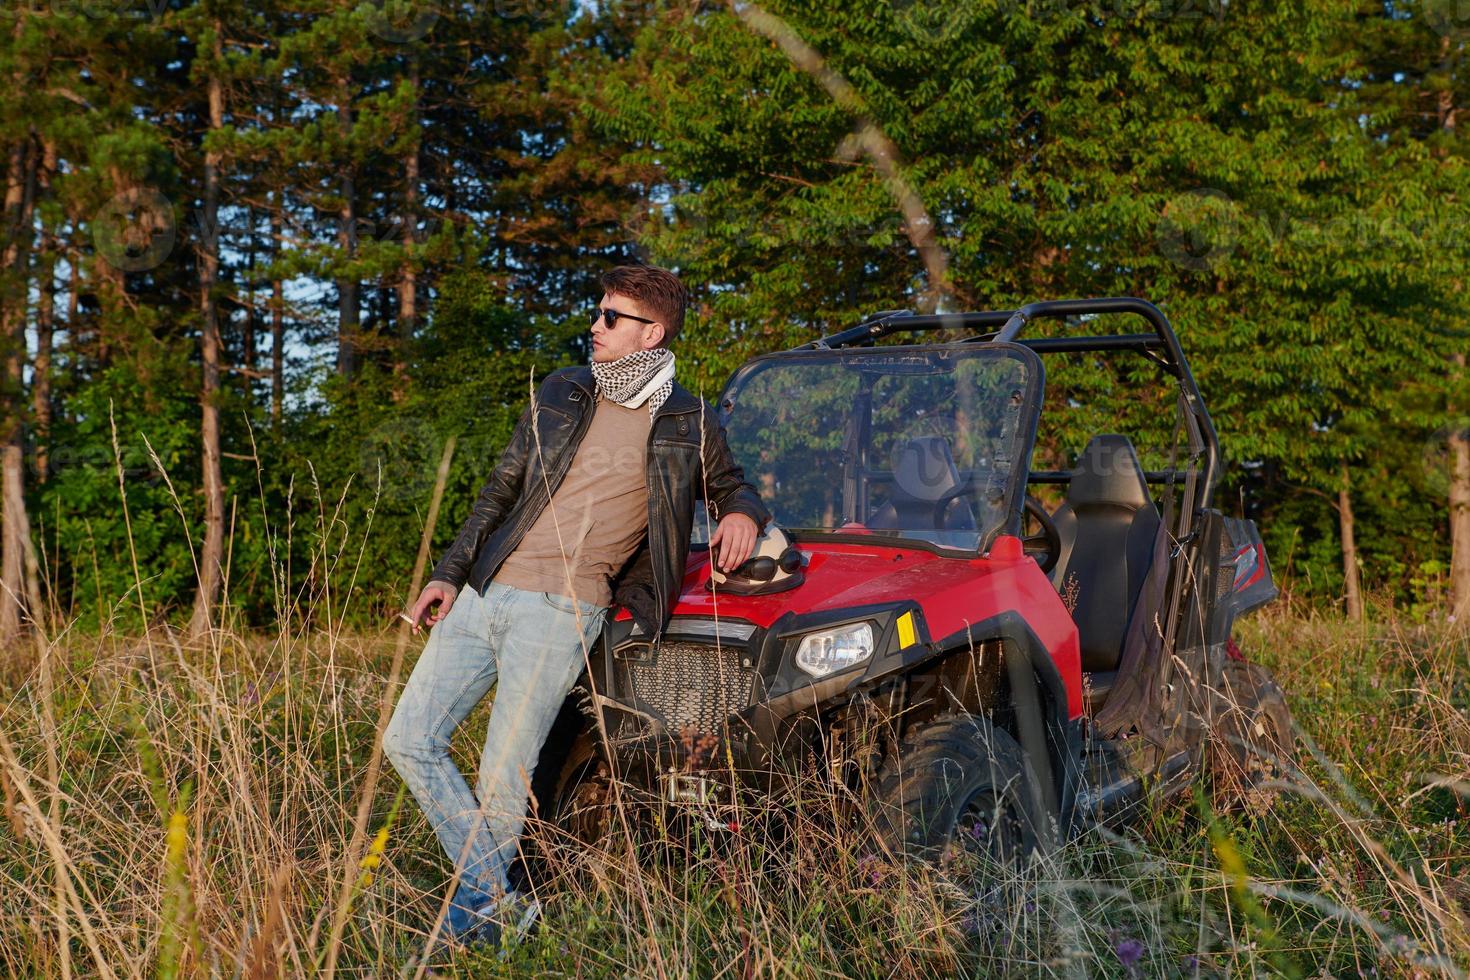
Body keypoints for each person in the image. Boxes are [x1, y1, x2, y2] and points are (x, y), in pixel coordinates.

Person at [383, 264, 770, 948]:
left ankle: (474, 934)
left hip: (563, 611)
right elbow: (500, 491)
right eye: (598, 312)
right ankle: (499, 909)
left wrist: (740, 513)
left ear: (651, 332)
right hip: (486, 591)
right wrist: (448, 574)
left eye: (611, 317)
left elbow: (732, 486)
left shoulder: (687, 417)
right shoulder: (563, 390)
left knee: (503, 776)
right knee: (408, 739)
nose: (595, 326)